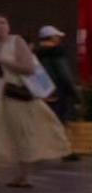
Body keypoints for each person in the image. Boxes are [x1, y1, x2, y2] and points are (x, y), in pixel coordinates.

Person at [0, 14, 71, 186]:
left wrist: (1, 59)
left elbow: (28, 68)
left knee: (20, 135)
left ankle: (24, 177)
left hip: (13, 96)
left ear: (8, 27)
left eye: (3, 22)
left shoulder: (17, 42)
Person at [33, 25, 79, 161]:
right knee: (61, 121)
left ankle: (38, 150)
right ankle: (66, 151)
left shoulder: (34, 54)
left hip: (43, 92)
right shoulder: (57, 52)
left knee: (43, 121)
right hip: (60, 91)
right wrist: (74, 92)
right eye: (58, 36)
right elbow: (65, 75)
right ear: (52, 37)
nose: (59, 39)